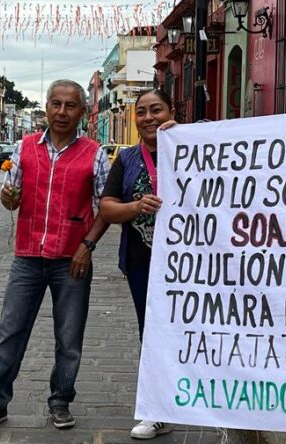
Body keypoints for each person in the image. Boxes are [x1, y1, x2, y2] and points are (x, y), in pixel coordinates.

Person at [0, 79, 110, 432]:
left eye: (71, 105)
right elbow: (10, 195)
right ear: (46, 106)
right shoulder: (25, 147)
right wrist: (9, 198)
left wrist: (87, 246)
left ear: (82, 111)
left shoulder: (94, 153)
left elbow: (104, 208)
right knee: (9, 333)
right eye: (56, 104)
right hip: (28, 257)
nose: (62, 112)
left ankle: (61, 400)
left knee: (69, 337)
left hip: (72, 260)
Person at [99, 89, 176, 440]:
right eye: (141, 112)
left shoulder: (194, 146)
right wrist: (135, 208)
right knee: (152, 333)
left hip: (197, 264)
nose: (148, 118)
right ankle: (155, 410)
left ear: (170, 112)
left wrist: (186, 135)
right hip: (143, 261)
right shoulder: (128, 158)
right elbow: (107, 207)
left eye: (156, 110)